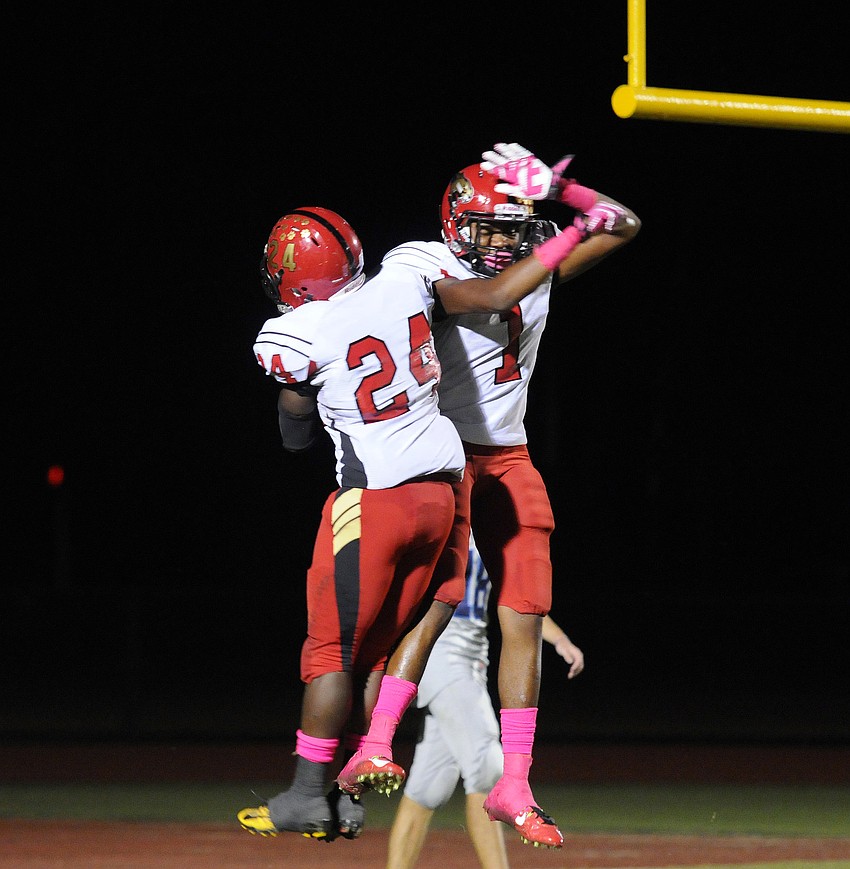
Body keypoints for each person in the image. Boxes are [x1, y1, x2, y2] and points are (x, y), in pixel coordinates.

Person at [237, 191, 599, 841]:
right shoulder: (403, 281)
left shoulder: (299, 329)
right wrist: (566, 232)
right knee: (374, 651)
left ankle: (303, 793)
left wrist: (297, 412)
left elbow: (294, 427)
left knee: (331, 653)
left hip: (373, 495)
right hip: (441, 493)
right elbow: (483, 299)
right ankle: (349, 795)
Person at [334, 143, 640, 849]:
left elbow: (622, 223)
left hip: (508, 451)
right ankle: (375, 740)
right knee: (437, 597)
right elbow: (495, 296)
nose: (504, 240)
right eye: (491, 227)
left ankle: (516, 781)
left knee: (527, 602)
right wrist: (564, 227)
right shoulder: (425, 265)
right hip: (439, 450)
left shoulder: (534, 262)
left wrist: (564, 188)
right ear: (454, 221)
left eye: (513, 228)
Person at [386, 533, 584, 869]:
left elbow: (518, 599)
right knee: (489, 769)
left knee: (428, 787)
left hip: (472, 659)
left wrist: (560, 639)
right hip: (439, 654)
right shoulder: (444, 514)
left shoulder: (491, 522)